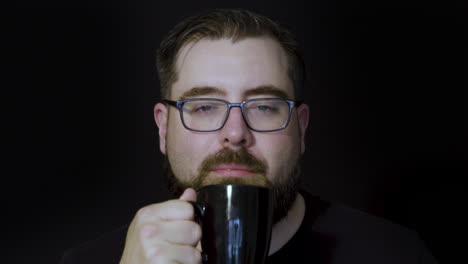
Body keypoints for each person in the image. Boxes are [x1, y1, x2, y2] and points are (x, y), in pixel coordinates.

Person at [60, 8, 439, 264]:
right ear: (163, 127)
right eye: (205, 107)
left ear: (301, 128)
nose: (235, 134)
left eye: (263, 107)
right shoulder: (93, 260)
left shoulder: (393, 254)